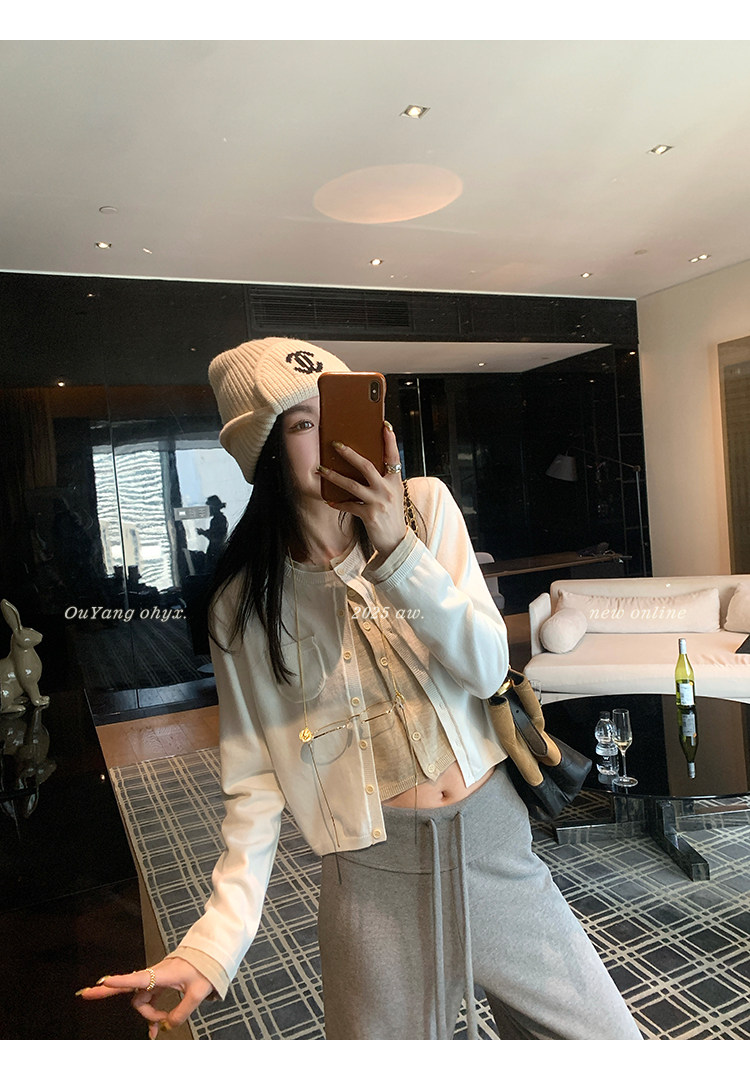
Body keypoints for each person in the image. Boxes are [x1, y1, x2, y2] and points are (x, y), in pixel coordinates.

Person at [79, 337, 642, 1041]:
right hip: (372, 877)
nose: (335, 439)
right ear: (266, 453)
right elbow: (254, 781)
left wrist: (396, 550)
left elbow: (486, 662)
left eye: (344, 412)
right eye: (303, 423)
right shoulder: (244, 604)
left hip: (493, 842)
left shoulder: (425, 509)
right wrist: (212, 945)